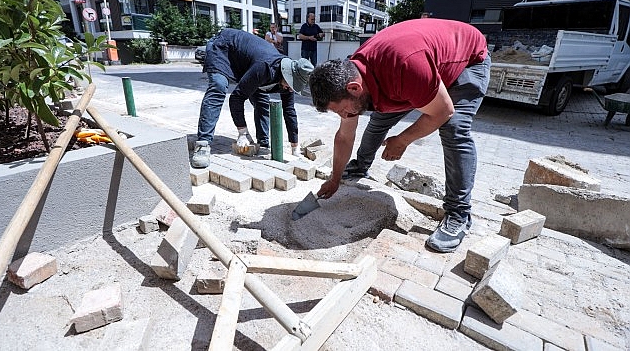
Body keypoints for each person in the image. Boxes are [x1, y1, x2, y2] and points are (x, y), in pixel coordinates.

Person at [308, 19, 491, 253]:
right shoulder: (351, 77)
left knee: (454, 128)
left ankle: (458, 213)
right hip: (419, 67)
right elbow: (344, 136)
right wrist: (335, 178)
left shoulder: (405, 66)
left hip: (466, 60)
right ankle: (361, 165)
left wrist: (402, 140)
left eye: (341, 110)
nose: (344, 116)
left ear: (354, 88)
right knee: (379, 117)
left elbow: (443, 110)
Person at [191, 28, 314, 168]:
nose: (291, 89)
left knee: (262, 99)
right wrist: (242, 132)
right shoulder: (265, 67)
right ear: (287, 75)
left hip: (248, 62)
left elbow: (289, 111)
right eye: (292, 84)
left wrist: (295, 147)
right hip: (224, 48)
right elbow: (236, 98)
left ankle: (262, 143)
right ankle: (203, 144)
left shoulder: (288, 80)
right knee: (219, 86)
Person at [265, 22, 302, 156]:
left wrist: (295, 145)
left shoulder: (291, 79)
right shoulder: (267, 71)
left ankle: (295, 146)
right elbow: (268, 40)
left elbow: (278, 41)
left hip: (280, 69)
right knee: (262, 104)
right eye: (272, 27)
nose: (292, 90)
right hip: (267, 72)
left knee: (289, 109)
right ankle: (263, 141)